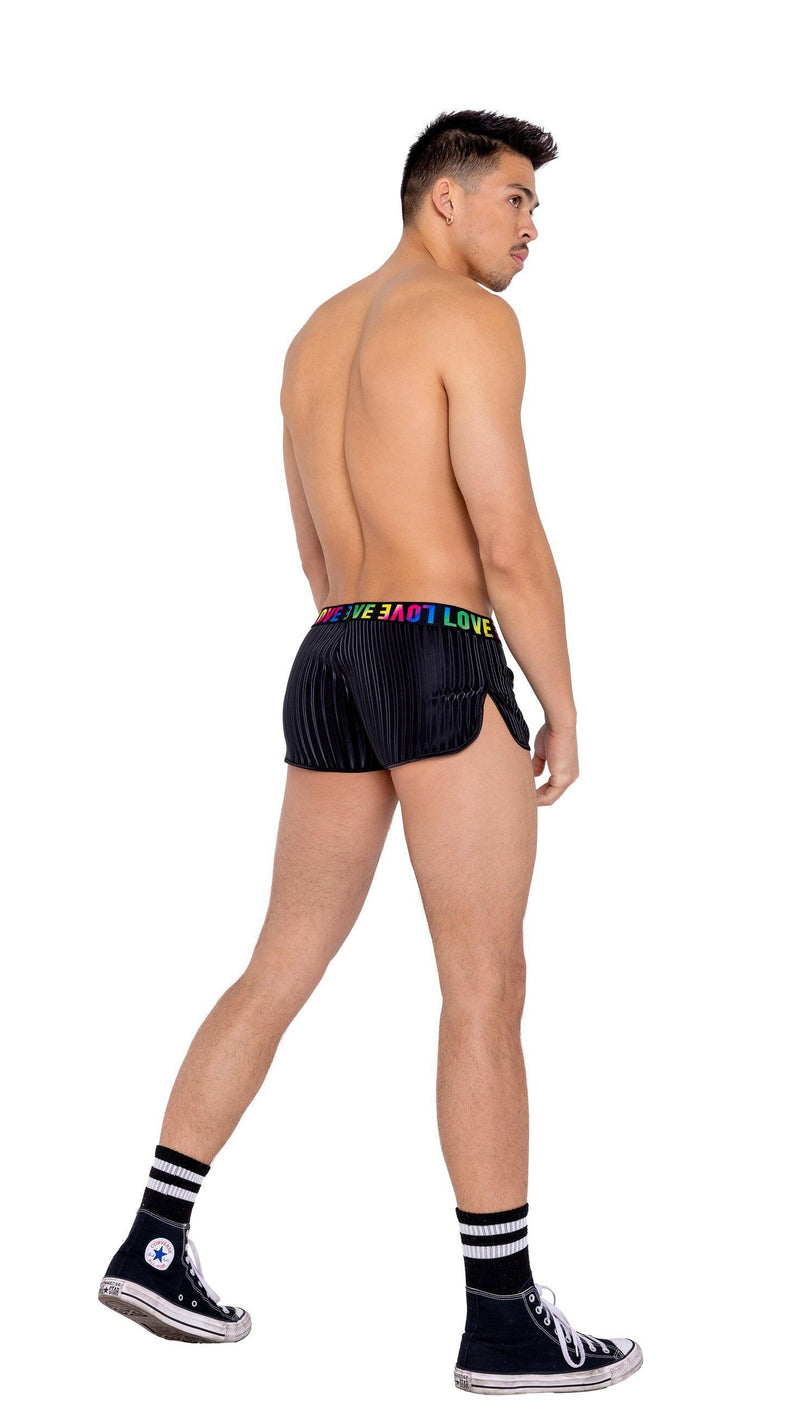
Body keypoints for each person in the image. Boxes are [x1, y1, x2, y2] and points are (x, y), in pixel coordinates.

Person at [98, 108, 642, 1393]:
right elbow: (504, 536)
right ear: (442, 197)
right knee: (483, 985)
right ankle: (501, 1319)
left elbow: (310, 551)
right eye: (515, 198)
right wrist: (559, 700)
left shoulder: (313, 336)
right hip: (437, 650)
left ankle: (154, 1241)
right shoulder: (468, 320)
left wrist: (369, 647)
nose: (532, 227)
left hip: (333, 653)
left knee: (278, 961)